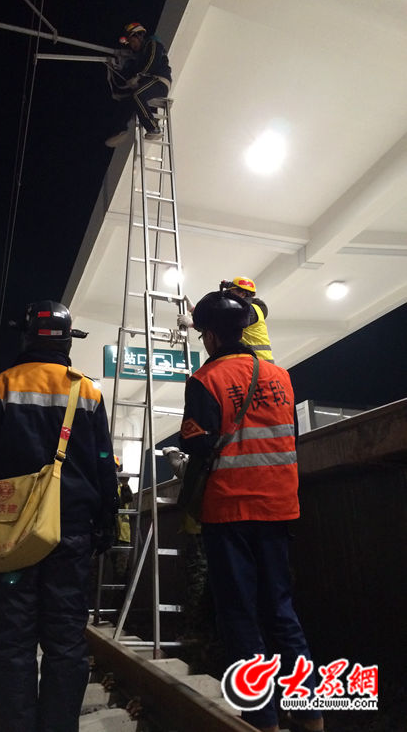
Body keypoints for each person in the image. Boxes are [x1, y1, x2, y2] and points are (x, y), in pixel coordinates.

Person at [0, 300, 119, 732]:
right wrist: (107, 517)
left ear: (26, 337)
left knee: (10, 641)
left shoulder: (0, 386)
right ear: (68, 342)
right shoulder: (88, 392)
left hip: (13, 538)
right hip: (71, 536)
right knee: (66, 641)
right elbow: (104, 460)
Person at [178, 290, 323, 732]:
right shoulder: (280, 376)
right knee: (281, 609)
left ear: (210, 336)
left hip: (230, 510)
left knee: (239, 614)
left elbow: (196, 441)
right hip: (279, 506)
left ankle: (262, 719)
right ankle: (310, 713)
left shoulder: (205, 379)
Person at [105, 22, 172, 147]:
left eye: (132, 41)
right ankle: (120, 130)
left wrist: (139, 76)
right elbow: (130, 72)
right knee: (126, 101)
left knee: (137, 95)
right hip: (147, 83)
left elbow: (152, 62)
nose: (132, 45)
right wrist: (114, 66)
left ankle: (153, 128)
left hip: (159, 81)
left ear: (139, 36)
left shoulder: (152, 44)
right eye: (130, 43)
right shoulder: (139, 56)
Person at [178, 276, 274, 362]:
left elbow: (221, 324)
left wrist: (194, 320)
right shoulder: (250, 309)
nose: (229, 297)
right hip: (254, 361)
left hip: (259, 362)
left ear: (242, 294)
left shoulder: (249, 310)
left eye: (231, 292)